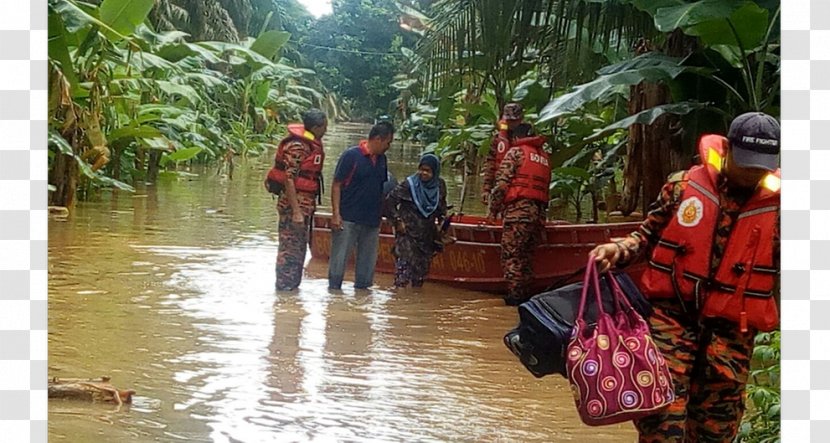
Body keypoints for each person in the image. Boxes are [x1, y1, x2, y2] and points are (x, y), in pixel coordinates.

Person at [589, 112, 781, 442]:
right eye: (747, 163)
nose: (753, 173)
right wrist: (617, 249)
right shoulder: (682, 187)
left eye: (761, 166)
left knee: (714, 433)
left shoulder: (783, 209)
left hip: (731, 337)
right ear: (728, 149)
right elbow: (645, 237)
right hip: (671, 322)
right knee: (661, 423)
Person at [328, 121, 395, 290]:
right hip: (348, 218)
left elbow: (381, 189)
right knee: (338, 264)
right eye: (388, 142)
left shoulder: (382, 160)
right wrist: (336, 214)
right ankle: (333, 299)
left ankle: (362, 304)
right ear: (378, 139)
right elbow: (337, 184)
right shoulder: (351, 156)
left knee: (366, 272)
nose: (389, 146)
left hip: (371, 221)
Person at [488, 125, 550, 305]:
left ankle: (514, 299)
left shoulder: (516, 153)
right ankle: (526, 297)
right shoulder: (544, 157)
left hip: (518, 213)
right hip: (538, 215)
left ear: (515, 138)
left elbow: (501, 186)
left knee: (512, 255)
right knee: (527, 258)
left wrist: (493, 209)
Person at [273, 109, 328, 291]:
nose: (326, 130)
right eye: (324, 127)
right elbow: (289, 179)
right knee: (289, 248)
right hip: (293, 206)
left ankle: (292, 290)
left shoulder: (310, 143)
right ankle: (284, 289)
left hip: (305, 205)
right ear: (316, 127)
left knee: (299, 248)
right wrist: (296, 211)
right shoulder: (297, 146)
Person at [385, 153, 448, 288]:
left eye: (428, 171)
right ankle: (399, 301)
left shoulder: (439, 186)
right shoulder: (409, 185)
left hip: (426, 238)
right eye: (421, 169)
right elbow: (389, 202)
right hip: (407, 235)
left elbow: (441, 208)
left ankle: (414, 303)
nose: (423, 173)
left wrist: (441, 224)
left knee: (419, 277)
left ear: (435, 172)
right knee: (403, 275)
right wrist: (397, 221)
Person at [480, 102, 531, 207]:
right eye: (509, 120)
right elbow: (490, 164)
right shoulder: (498, 139)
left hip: (522, 188)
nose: (511, 124)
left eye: (514, 121)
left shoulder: (530, 138)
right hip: (500, 186)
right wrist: (486, 189)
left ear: (520, 119)